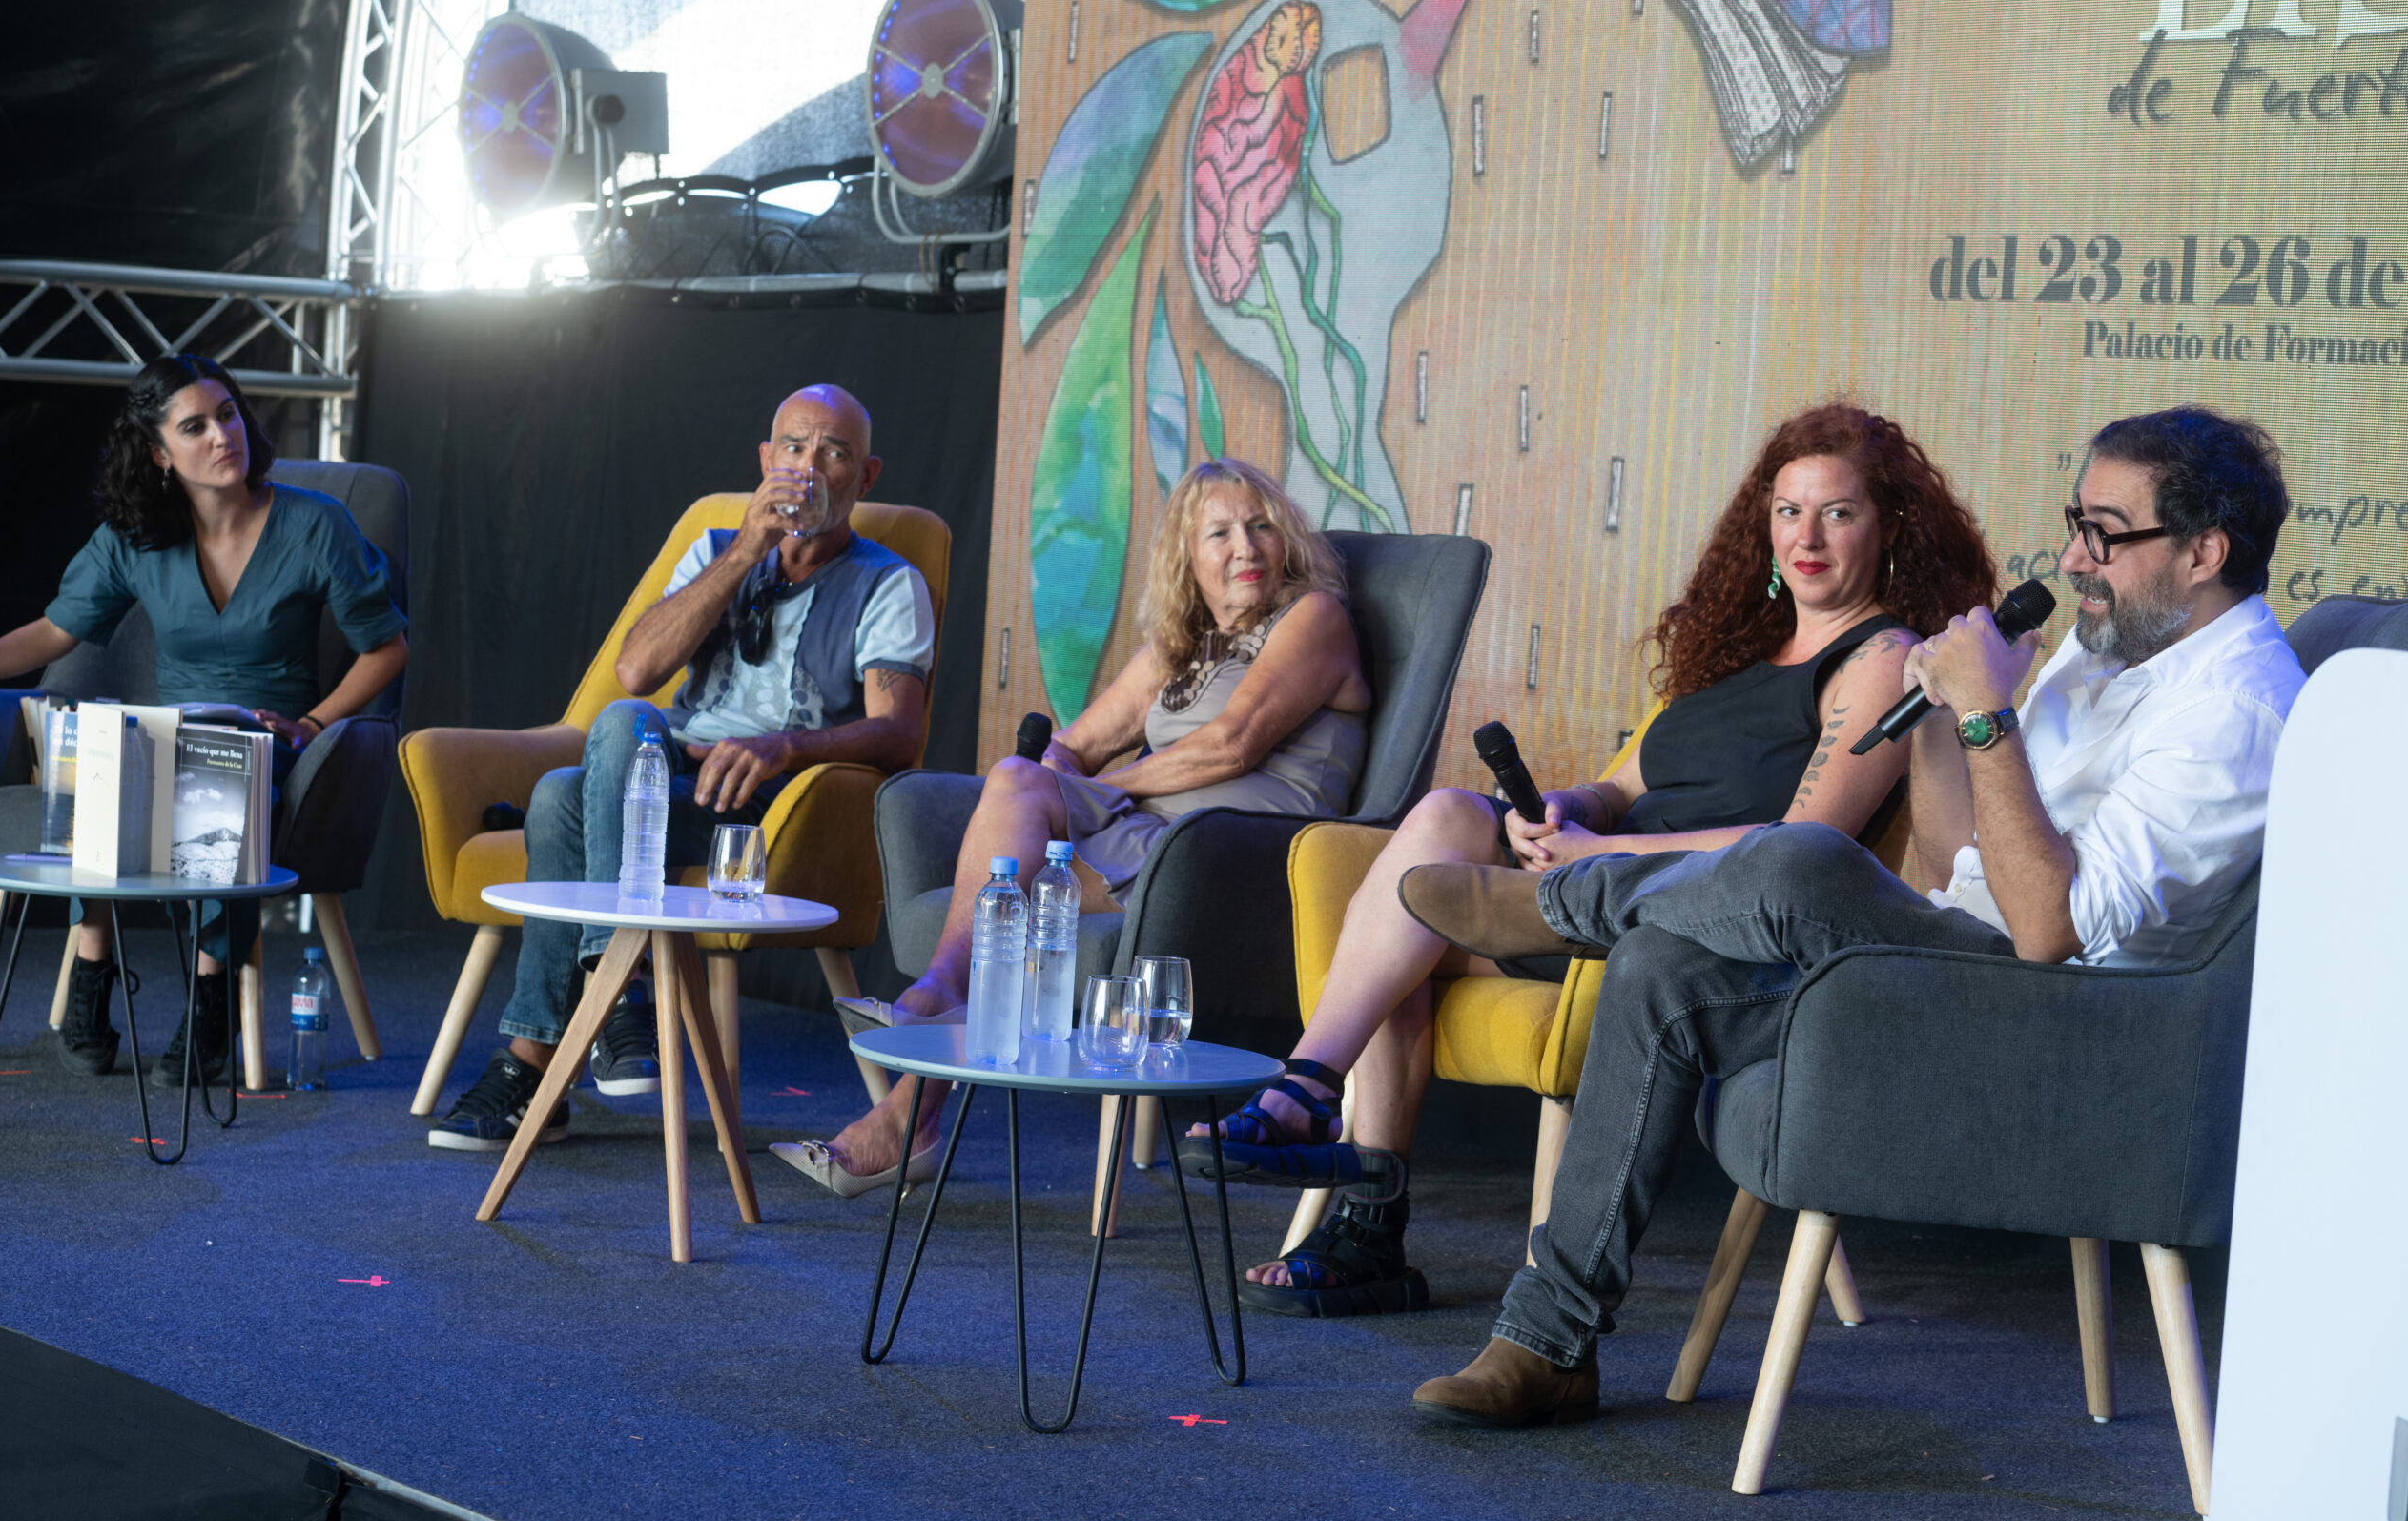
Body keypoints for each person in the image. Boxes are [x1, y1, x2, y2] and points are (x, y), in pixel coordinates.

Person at [1400, 404, 2301, 1428]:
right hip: (1969, 963)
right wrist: (1941, 720)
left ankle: (1566, 903)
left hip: (2068, 1030)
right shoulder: (2113, 650)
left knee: (1803, 858)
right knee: (1658, 968)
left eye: (2104, 533)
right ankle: (1547, 1343)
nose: (2070, 559)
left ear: (2203, 552)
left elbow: (2051, 931)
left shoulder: (2236, 710)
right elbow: (1955, 865)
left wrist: (1988, 715)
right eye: (2074, 524)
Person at [1176, 404, 1999, 1317]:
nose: (1806, 537)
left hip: (1687, 916)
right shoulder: (1738, 648)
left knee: (1406, 924)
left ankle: (1348, 1184)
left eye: (1837, 513)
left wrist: (1604, 852)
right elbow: (1618, 784)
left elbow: (1801, 844)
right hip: (1588, 872)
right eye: (1788, 511)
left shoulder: (1882, 657)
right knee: (1446, 822)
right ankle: (1317, 1102)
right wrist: (1569, 810)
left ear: (1888, 527)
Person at [772, 456, 1371, 1196]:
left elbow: (1233, 743)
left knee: (1023, 872)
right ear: (1188, 559)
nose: (1244, 547)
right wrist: (1056, 780)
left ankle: (921, 1044)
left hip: (1235, 857)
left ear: (1286, 539)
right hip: (1150, 847)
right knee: (1020, 815)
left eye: (1260, 526)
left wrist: (1096, 791)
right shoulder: (1181, 649)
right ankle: (912, 1088)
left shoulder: (1314, 618)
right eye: (1219, 533)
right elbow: (1073, 746)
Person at [426, 384, 934, 1149]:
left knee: (563, 794)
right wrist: (747, 550)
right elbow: (637, 669)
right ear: (765, 460)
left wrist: (784, 747)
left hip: (769, 805)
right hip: (668, 773)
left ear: (865, 476)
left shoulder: (888, 583)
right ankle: (616, 999)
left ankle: (534, 1061)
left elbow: (901, 732)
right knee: (609, 737)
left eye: (834, 452)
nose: (809, 468)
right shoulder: (717, 550)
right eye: (793, 447)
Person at [0, 353, 410, 1084]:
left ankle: (211, 1000)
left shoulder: (315, 523)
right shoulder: (137, 535)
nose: (221, 435)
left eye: (227, 414)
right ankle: (92, 971)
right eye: (195, 426)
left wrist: (311, 722)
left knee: (220, 770)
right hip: (165, 732)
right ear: (159, 453)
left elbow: (386, 648)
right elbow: (55, 632)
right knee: (100, 755)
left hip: (267, 738)